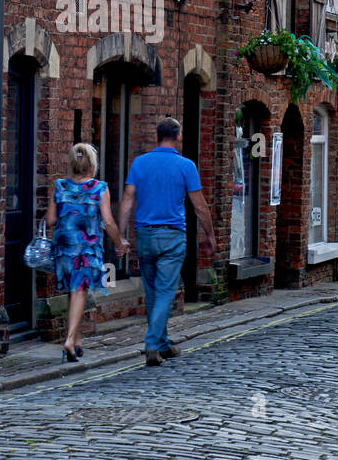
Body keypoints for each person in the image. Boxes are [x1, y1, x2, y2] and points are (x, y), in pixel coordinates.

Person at [119, 117, 215, 366]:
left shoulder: (139, 163)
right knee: (165, 292)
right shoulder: (186, 165)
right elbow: (199, 206)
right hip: (172, 236)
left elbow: (127, 200)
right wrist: (210, 234)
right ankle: (152, 344)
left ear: (157, 135)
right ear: (179, 136)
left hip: (145, 236)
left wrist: (120, 235)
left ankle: (162, 343)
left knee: (152, 291)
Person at [45, 143, 128, 363]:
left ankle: (78, 339)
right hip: (86, 249)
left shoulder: (59, 186)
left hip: (63, 248)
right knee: (80, 291)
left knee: (74, 293)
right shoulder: (99, 188)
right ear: (92, 164)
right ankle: (69, 340)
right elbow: (108, 222)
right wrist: (120, 243)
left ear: (72, 163)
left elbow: (50, 220)